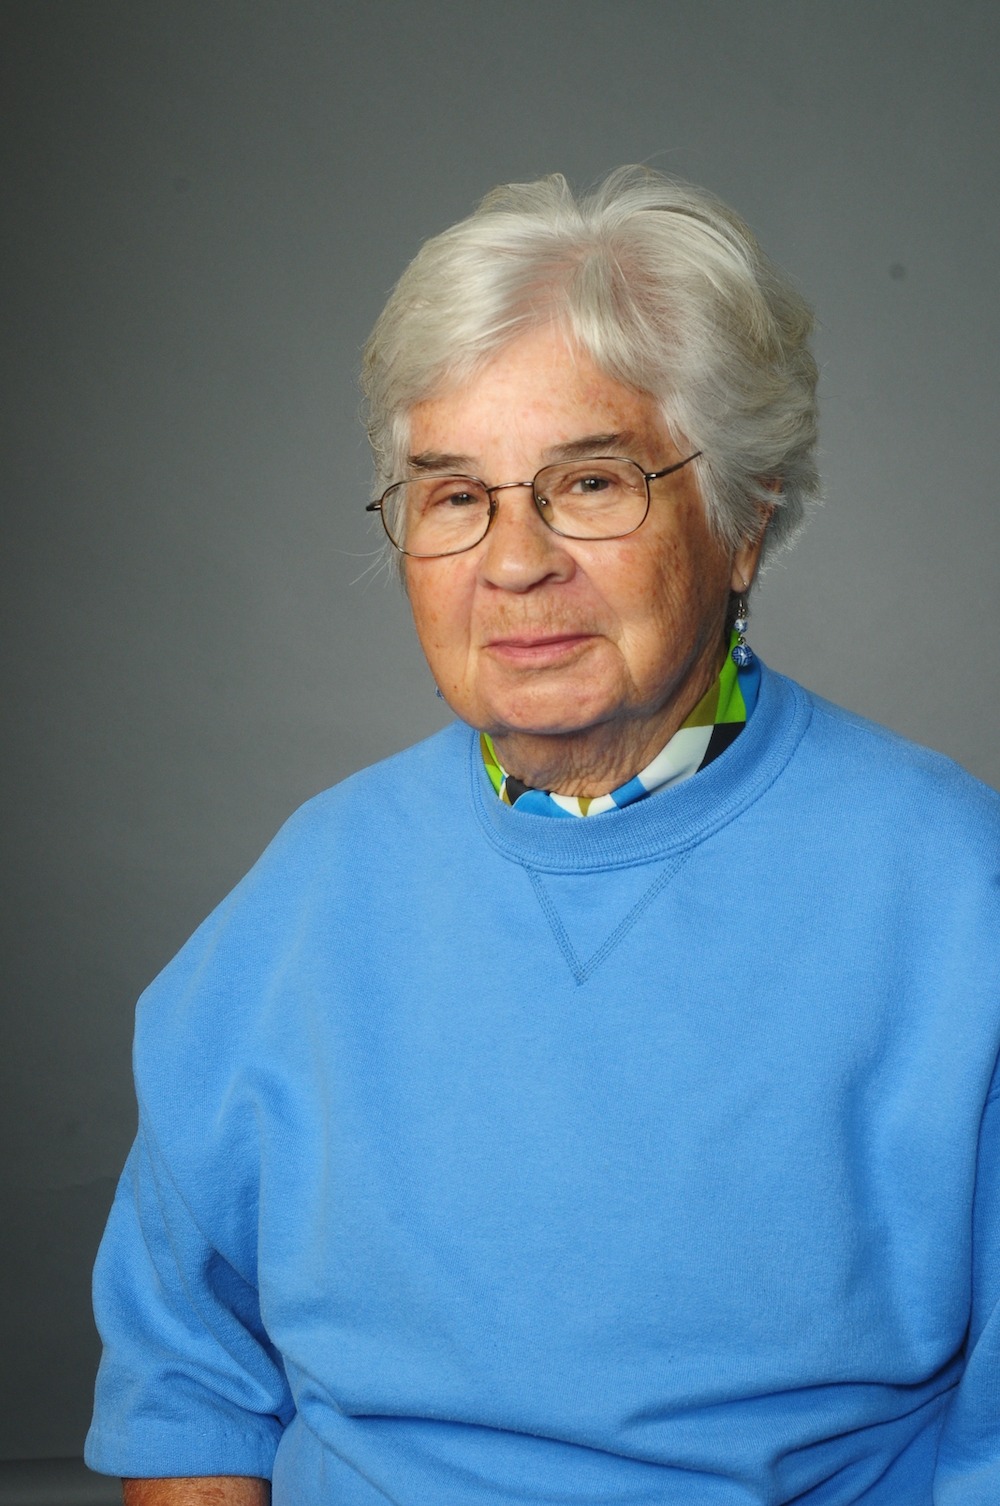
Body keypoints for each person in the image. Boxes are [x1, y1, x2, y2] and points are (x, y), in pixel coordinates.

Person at [86, 168, 1000, 1505]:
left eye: (589, 480)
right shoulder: (311, 887)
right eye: (455, 495)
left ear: (746, 518)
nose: (514, 563)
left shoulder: (958, 891)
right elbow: (186, 1377)